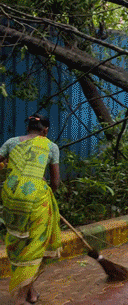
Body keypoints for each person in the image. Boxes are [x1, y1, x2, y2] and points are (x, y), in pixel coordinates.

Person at [0, 114, 61, 305]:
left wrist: (10, 170)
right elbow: (55, 182)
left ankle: (31, 291)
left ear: (28, 128)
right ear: (45, 130)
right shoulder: (50, 146)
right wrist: (39, 183)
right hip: (36, 199)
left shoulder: (11, 143)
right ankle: (20, 297)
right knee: (35, 245)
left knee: (18, 242)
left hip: (11, 196)